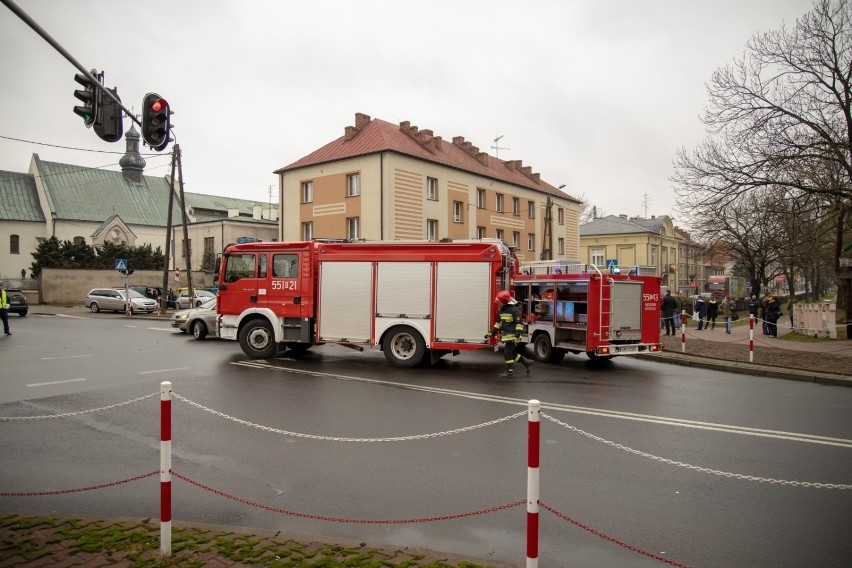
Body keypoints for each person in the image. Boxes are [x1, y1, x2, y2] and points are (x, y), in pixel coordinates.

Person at [485, 290, 533, 378]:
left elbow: (519, 323)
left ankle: (509, 371)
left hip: (513, 336)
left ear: (503, 301)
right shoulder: (503, 310)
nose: (498, 302)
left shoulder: (514, 310)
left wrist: (517, 334)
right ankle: (527, 362)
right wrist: (491, 333)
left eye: (500, 301)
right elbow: (498, 324)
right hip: (507, 335)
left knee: (507, 353)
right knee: (512, 353)